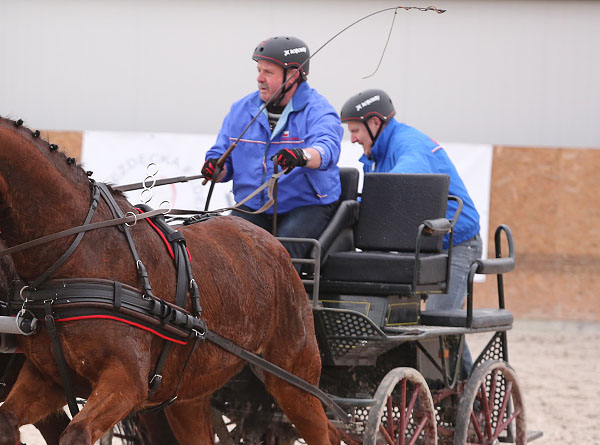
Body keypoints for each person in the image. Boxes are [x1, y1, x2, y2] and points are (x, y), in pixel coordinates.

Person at [340, 88, 483, 371]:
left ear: (375, 123)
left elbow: (403, 179)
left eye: (355, 130)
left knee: (442, 324)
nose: (352, 138)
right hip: (421, 245)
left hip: (456, 242)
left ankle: (468, 391)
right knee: (406, 320)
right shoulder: (376, 154)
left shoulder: (409, 143)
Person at [202, 36, 342, 263]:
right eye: (258, 70)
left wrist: (302, 155)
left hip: (304, 205)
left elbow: (327, 148)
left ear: (294, 75)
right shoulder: (241, 109)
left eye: (268, 72)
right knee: (222, 254)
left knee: (279, 257)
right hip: (253, 205)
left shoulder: (319, 110)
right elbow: (222, 154)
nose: (259, 79)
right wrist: (216, 168)